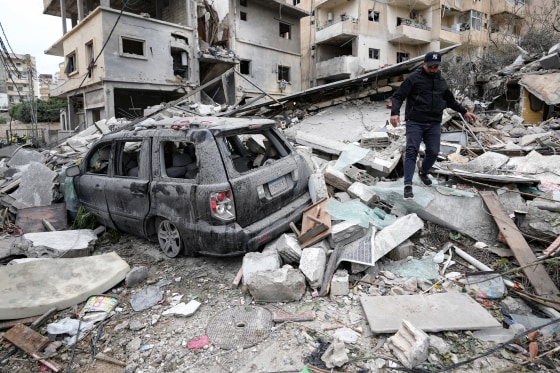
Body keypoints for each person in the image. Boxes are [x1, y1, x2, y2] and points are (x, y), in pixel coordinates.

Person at [389, 51, 477, 200]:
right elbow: (398, 96)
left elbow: (450, 101)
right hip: (415, 121)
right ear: (424, 63)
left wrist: (465, 112)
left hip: (434, 123)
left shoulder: (441, 81)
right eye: (430, 66)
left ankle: (423, 172)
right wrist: (394, 113)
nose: (432, 69)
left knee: (434, 152)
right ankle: (408, 185)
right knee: (412, 151)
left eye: (436, 67)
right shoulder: (413, 79)